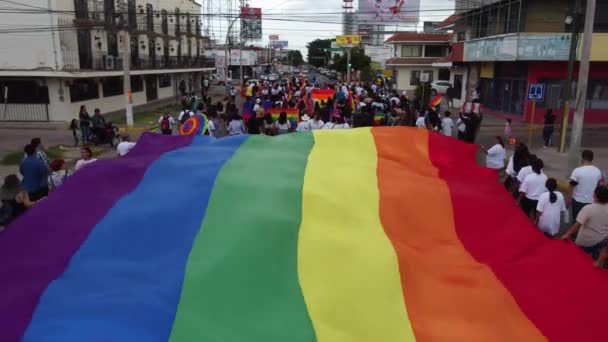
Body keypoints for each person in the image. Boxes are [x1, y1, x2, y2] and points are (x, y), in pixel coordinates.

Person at [562, 186, 608, 267]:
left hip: (585, 242)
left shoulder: (588, 209)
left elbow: (577, 225)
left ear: (595, 196)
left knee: (579, 262)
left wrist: (567, 234)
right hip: (601, 241)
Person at [570, 150, 603, 222]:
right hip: (591, 201)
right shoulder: (597, 171)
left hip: (577, 201)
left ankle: (574, 233)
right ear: (592, 159)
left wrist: (568, 198)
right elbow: (600, 185)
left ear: (582, 159)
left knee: (576, 220)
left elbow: (571, 186)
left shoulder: (577, 171)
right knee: (588, 221)